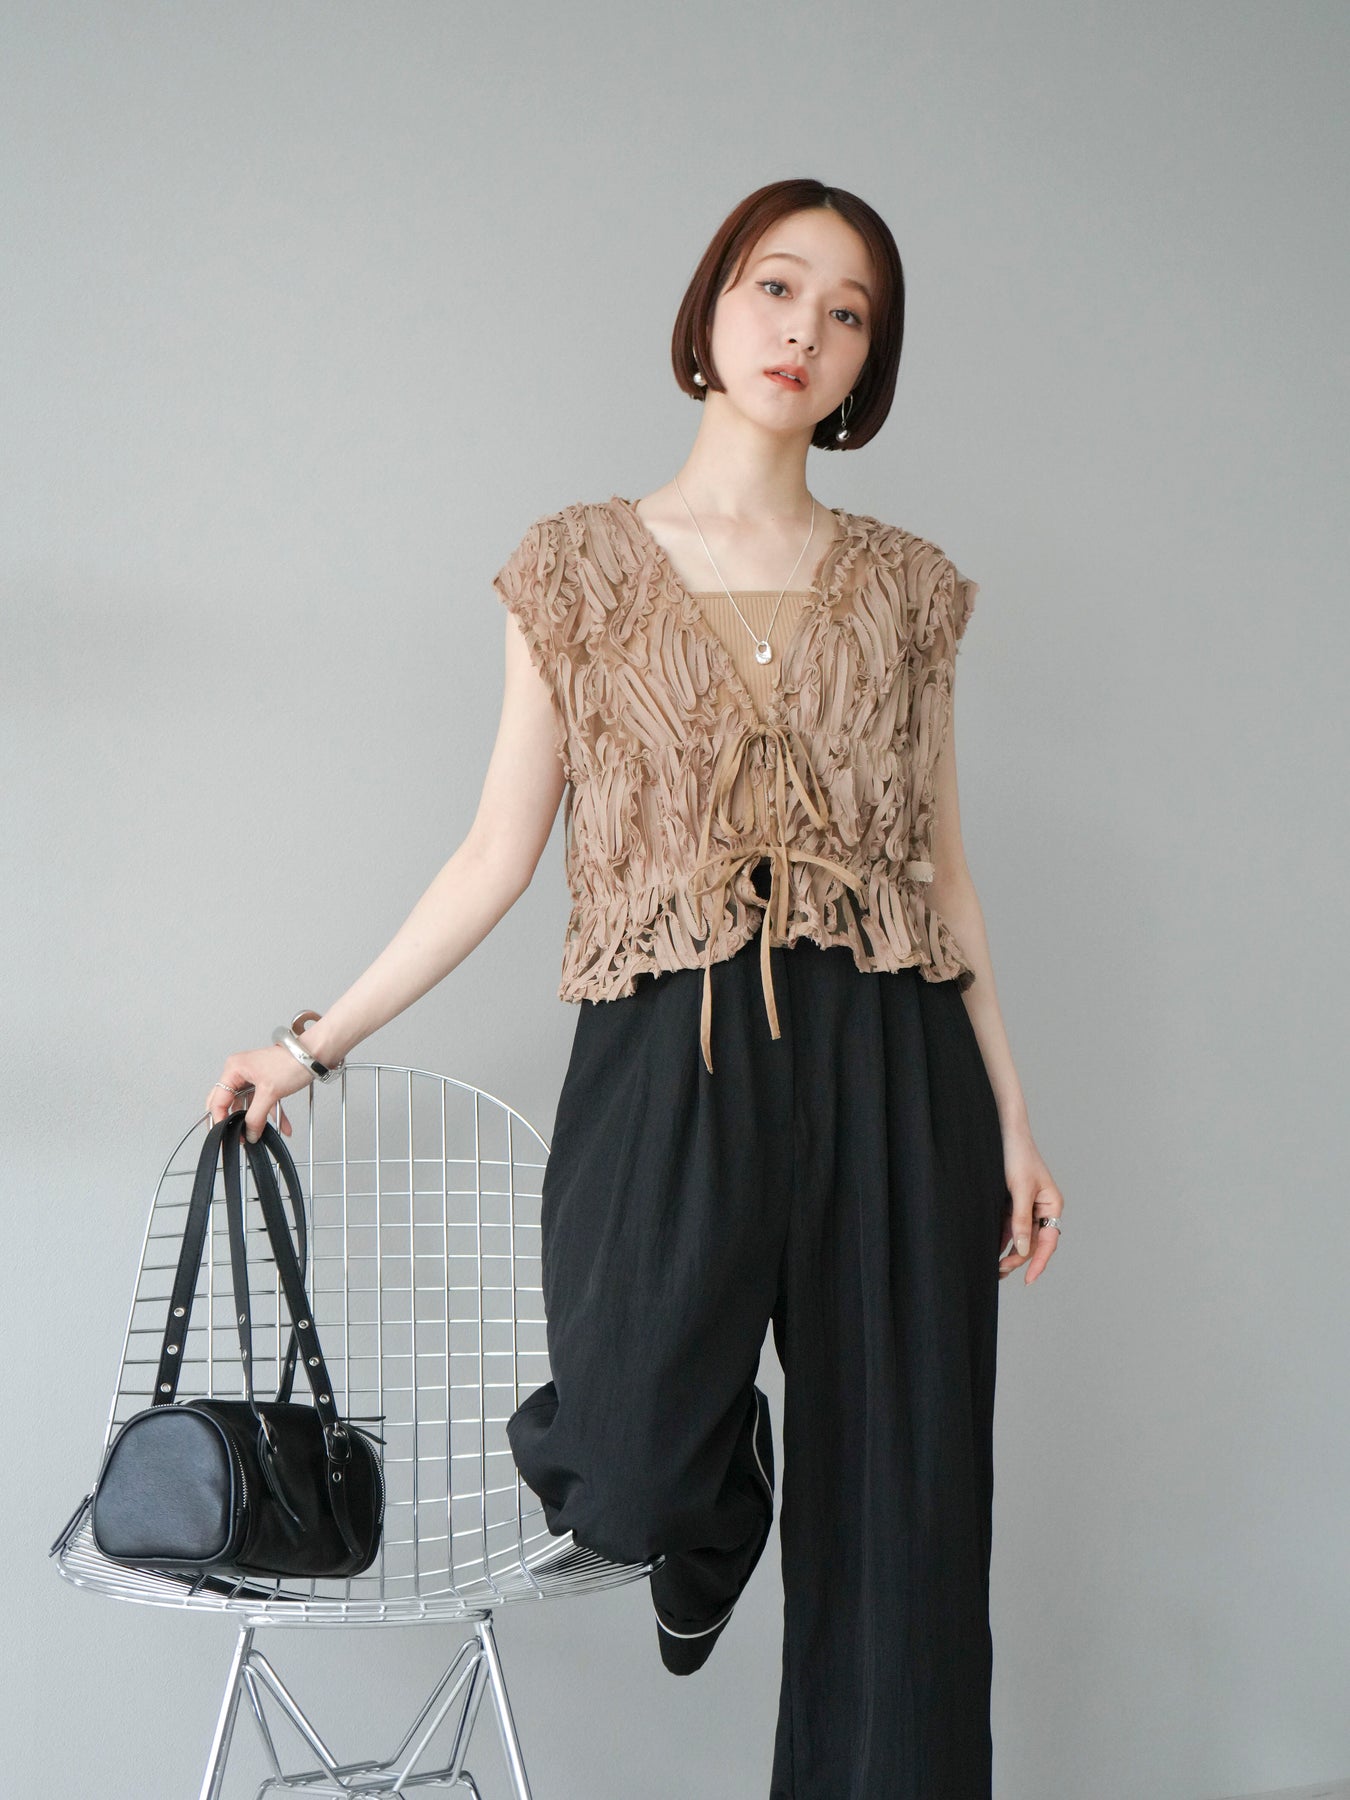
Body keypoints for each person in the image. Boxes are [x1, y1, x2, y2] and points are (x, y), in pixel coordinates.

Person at [206, 177, 1065, 1800]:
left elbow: (943, 877)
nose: (804, 330)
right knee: (622, 1455)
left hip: (894, 1057)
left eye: (848, 314)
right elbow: (493, 853)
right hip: (670, 1041)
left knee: (905, 1537)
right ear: (710, 309)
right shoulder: (580, 569)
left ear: (867, 363)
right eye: (775, 287)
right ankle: (716, 1486)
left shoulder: (906, 589)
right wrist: (308, 1043)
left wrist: (1012, 1121)